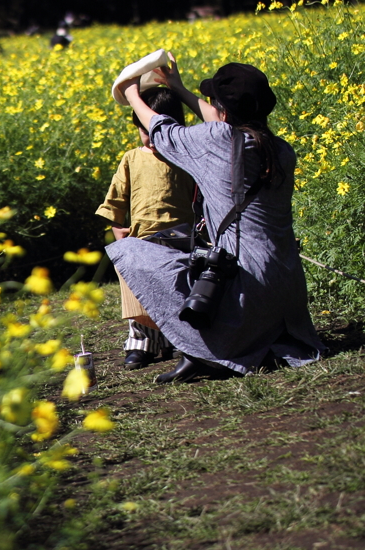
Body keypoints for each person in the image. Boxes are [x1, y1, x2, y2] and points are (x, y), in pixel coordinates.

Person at [109, 56, 325, 383]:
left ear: (222, 111)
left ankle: (207, 349)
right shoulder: (280, 150)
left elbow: (163, 132)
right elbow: (225, 122)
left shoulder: (216, 142)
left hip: (249, 291)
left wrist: (132, 95)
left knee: (130, 251)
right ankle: (256, 343)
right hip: (289, 291)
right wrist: (177, 88)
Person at [96, 86, 196, 370]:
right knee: (139, 290)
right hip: (142, 238)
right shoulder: (131, 158)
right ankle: (143, 344)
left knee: (178, 289)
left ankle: (180, 339)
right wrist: (119, 230)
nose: (151, 139)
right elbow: (115, 199)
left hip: (182, 238)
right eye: (144, 131)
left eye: (157, 131)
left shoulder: (185, 156)